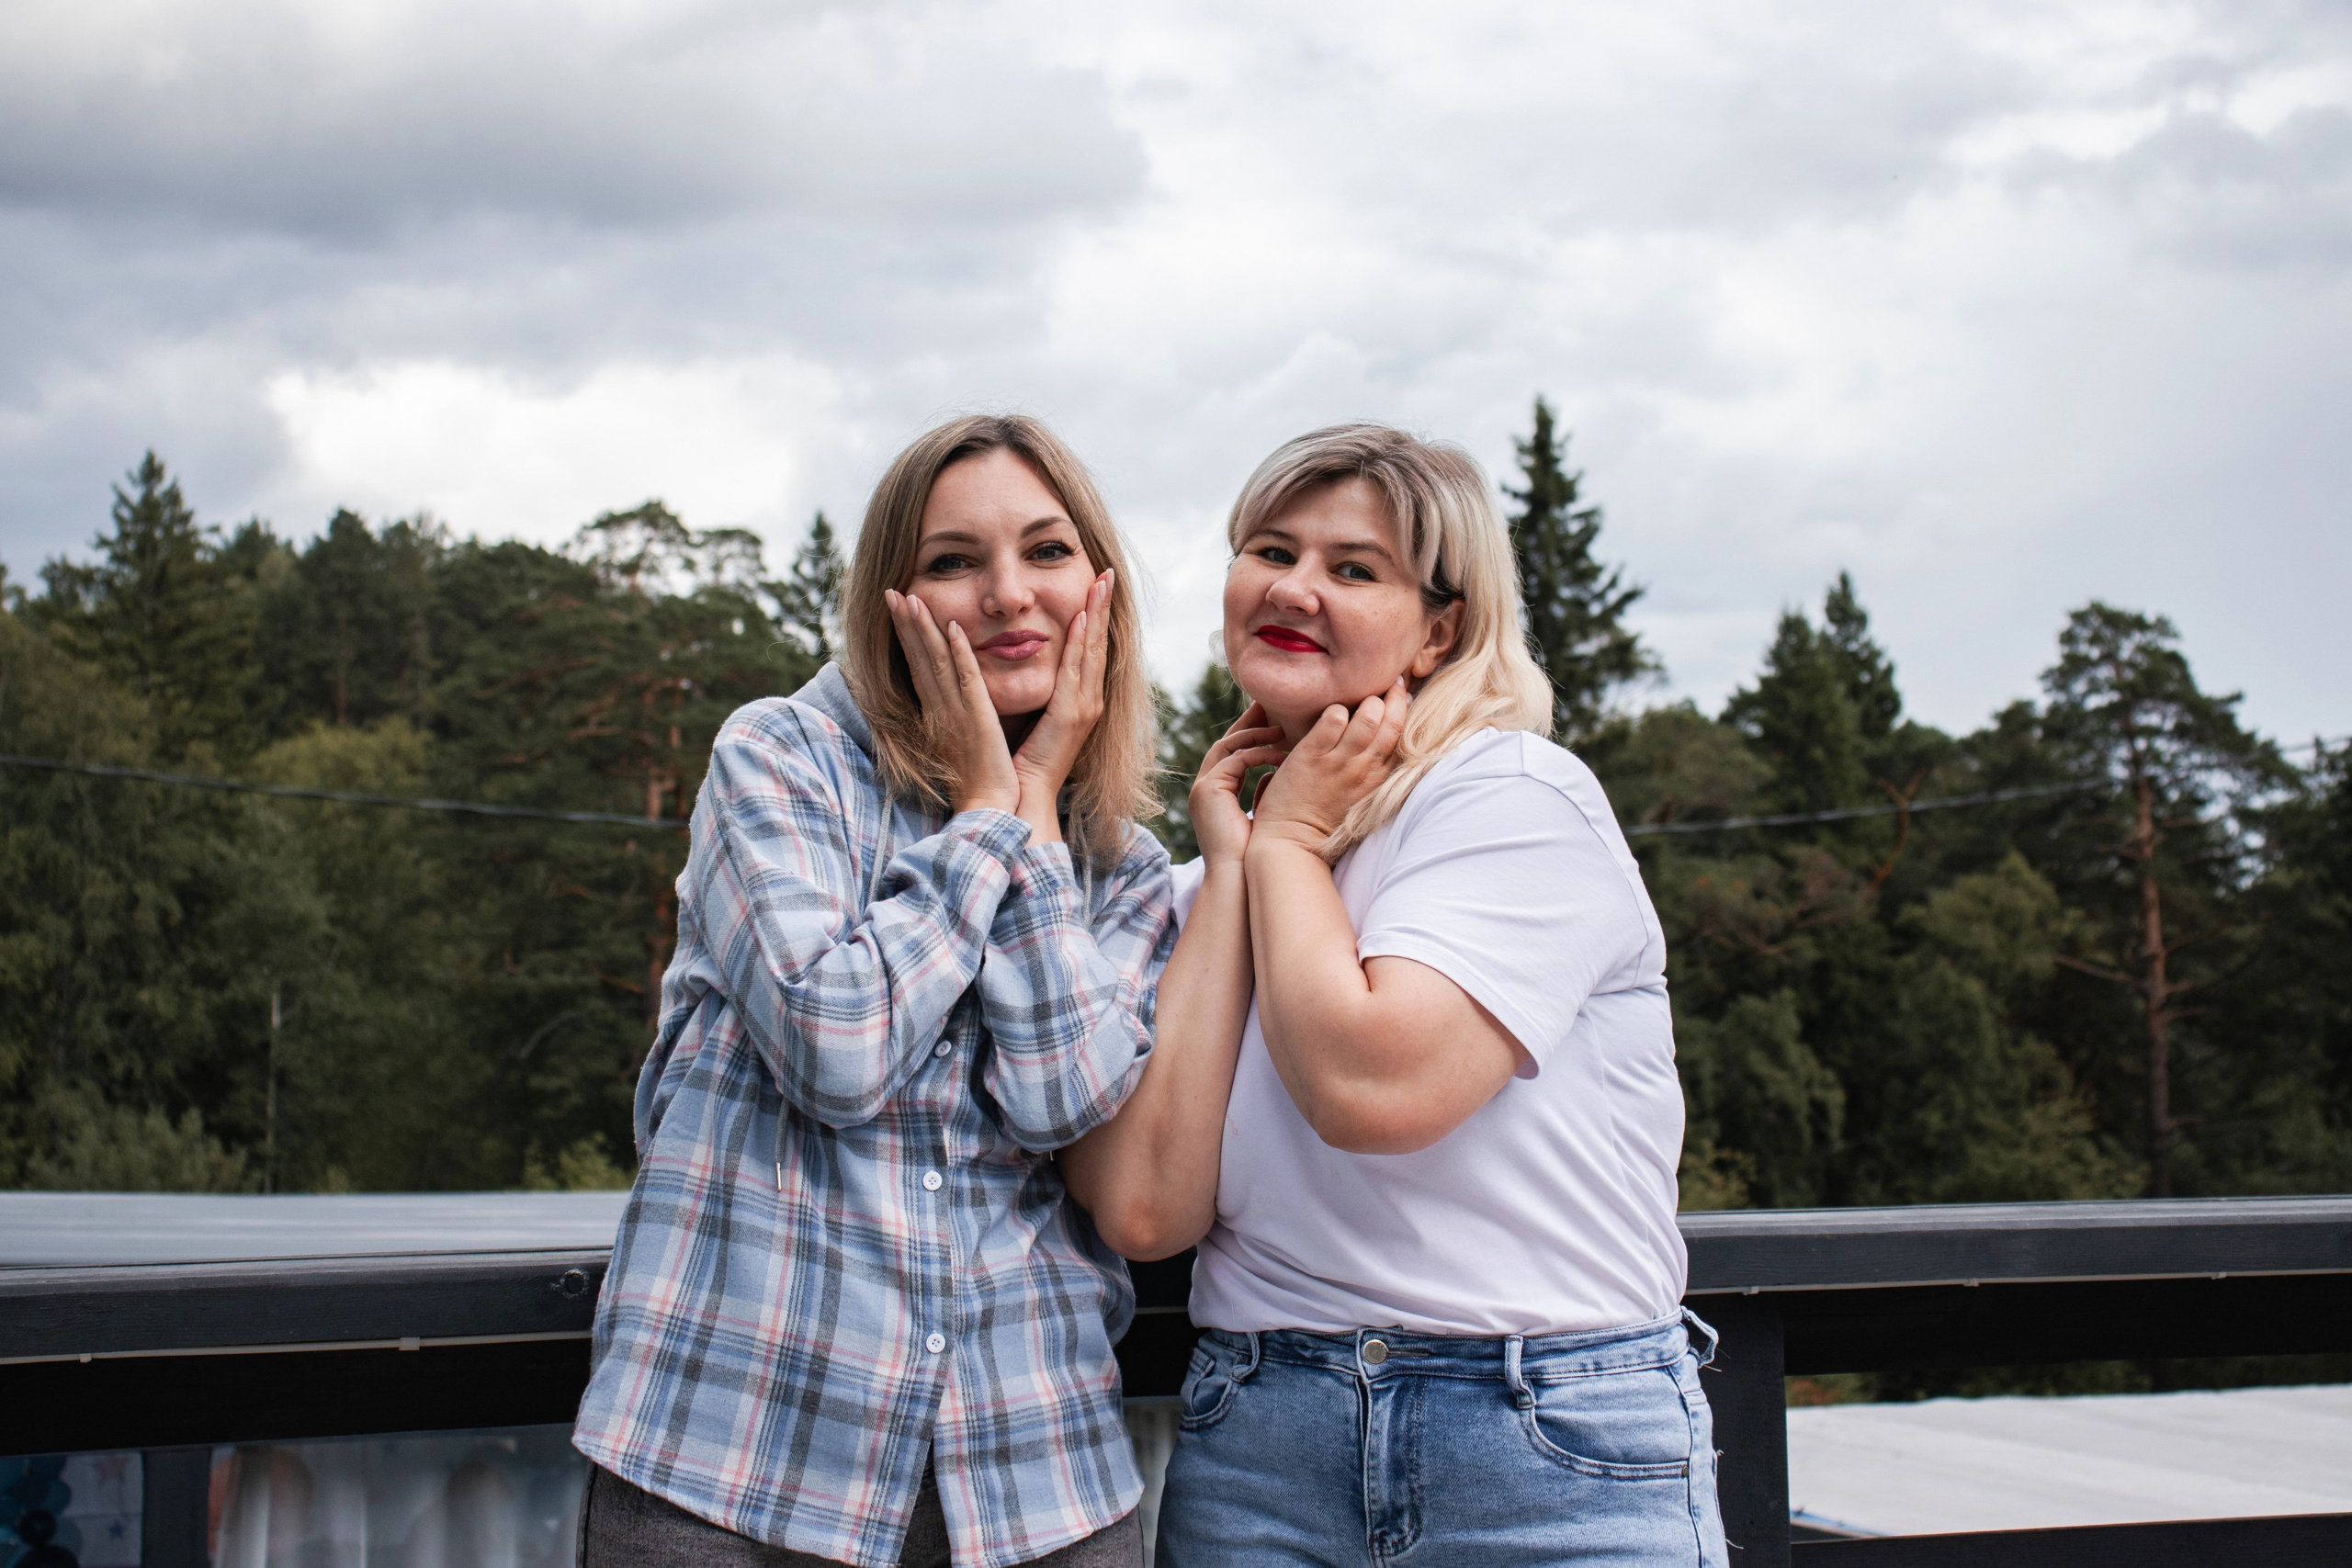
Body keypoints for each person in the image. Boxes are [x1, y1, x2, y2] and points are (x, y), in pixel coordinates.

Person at [1064, 423, 1724, 1567]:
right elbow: (1141, 1210)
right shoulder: (1206, 883)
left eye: (1353, 568)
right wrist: (1238, 866)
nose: (1294, 588)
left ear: (1442, 629)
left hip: (1543, 1444)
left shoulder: (1511, 798)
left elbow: (1375, 1087)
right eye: (1270, 550)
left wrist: (1287, 843)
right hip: (1259, 1438)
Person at [573, 414, 1170, 1568]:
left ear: (1100, 587)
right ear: (891, 600)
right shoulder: (778, 760)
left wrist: (1036, 800)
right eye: (954, 561)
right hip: (732, 1466)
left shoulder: (1126, 871)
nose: (1008, 594)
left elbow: (1063, 1102)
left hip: (1033, 1487)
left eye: (1046, 552)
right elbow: (833, 1045)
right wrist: (991, 818)